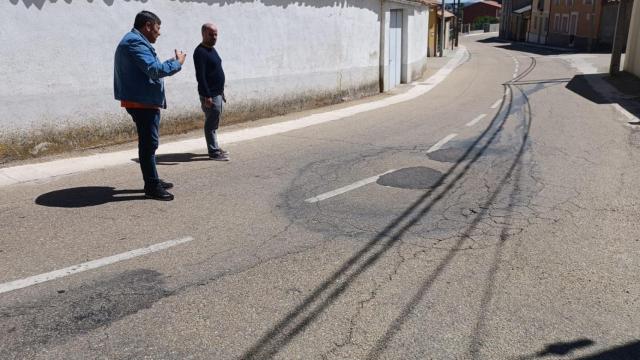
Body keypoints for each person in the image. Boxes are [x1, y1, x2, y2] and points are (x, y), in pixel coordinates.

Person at [114, 11, 187, 201]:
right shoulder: (135, 42)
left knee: (149, 143)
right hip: (142, 102)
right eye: (157, 28)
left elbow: (151, 67)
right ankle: (152, 186)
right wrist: (177, 64)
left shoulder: (136, 41)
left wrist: (171, 62)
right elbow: (154, 71)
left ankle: (153, 178)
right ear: (148, 25)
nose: (159, 33)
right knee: (148, 144)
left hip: (143, 100)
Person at [193, 23, 229, 161]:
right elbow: (200, 76)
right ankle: (213, 152)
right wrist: (207, 95)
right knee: (211, 122)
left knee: (214, 121)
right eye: (211, 34)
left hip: (217, 93)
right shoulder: (200, 52)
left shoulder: (212, 49)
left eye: (216, 34)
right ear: (203, 34)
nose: (214, 37)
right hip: (209, 94)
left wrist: (221, 91)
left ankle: (215, 146)